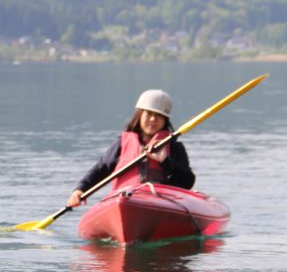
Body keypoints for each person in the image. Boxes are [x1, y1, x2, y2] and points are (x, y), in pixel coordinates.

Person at [66, 89, 195, 208]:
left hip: (161, 204)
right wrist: (80, 189)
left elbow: (188, 182)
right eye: (148, 113)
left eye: (159, 116)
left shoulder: (175, 148)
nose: (153, 119)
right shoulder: (121, 144)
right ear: (139, 115)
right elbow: (101, 169)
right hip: (125, 201)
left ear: (165, 120)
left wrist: (165, 161)